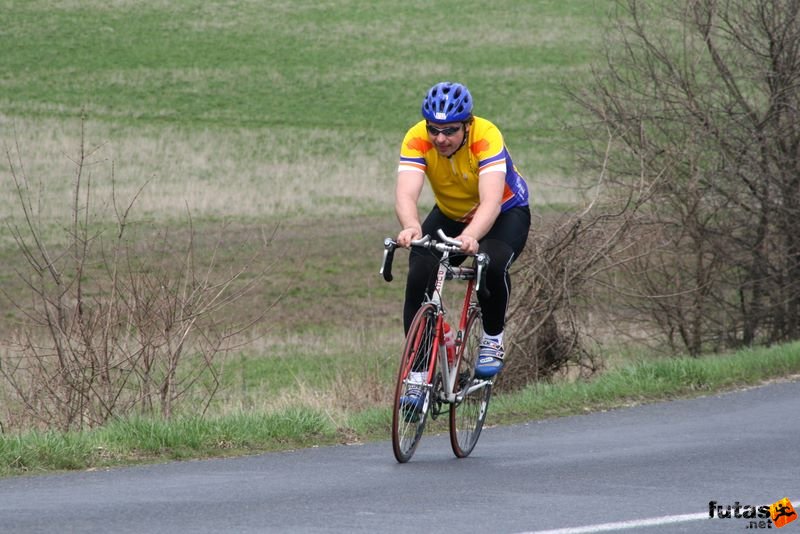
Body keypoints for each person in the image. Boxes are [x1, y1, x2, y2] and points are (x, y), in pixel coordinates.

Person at [394, 81, 531, 409]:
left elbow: (491, 202)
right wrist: (411, 226)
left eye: (450, 130)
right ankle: (417, 377)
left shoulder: (486, 136)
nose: (440, 138)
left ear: (467, 125)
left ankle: (493, 339)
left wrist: (472, 236)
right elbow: (406, 192)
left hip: (503, 212)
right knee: (420, 269)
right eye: (434, 129)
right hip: (451, 213)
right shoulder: (416, 138)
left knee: (491, 262)